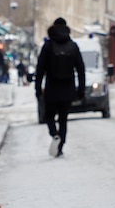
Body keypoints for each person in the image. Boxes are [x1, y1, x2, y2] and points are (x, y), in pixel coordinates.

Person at [34, 18, 85, 157]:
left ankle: (54, 134)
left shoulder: (48, 46)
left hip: (52, 87)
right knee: (63, 119)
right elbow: (80, 69)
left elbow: (40, 69)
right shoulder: (73, 46)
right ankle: (60, 147)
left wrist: (38, 89)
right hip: (68, 88)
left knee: (49, 115)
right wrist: (81, 89)